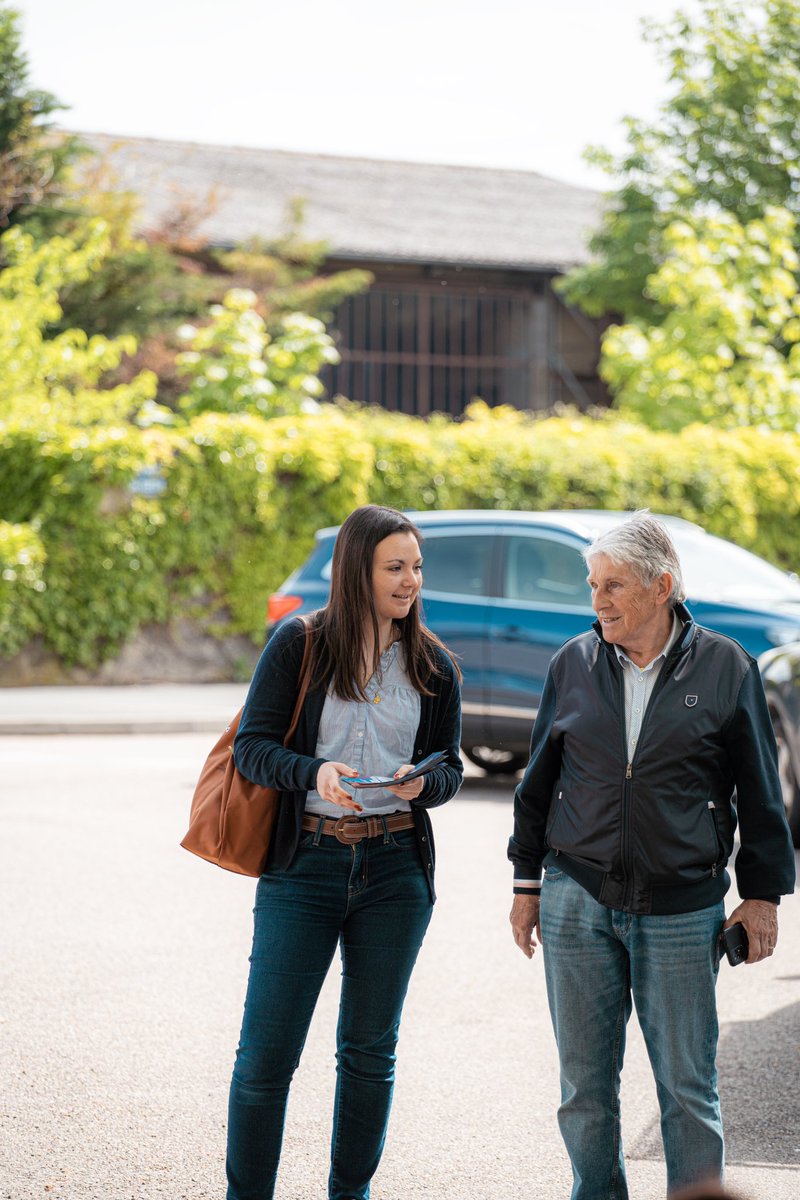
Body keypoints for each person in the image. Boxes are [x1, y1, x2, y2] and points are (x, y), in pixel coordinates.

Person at [508, 511, 796, 1200]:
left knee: (688, 1089)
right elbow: (537, 783)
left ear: (661, 586)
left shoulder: (726, 666)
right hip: (577, 896)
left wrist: (761, 896)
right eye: (593, 585)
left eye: (613, 585)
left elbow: (761, 791)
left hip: (682, 906)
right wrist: (526, 884)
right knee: (583, 1089)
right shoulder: (573, 663)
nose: (598, 601)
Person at [226, 503, 463, 1200]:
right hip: (304, 866)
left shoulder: (434, 664)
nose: (410, 580)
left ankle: (348, 1195)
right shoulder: (299, 644)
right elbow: (252, 748)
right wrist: (315, 772)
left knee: (368, 1055)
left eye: (416, 567)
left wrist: (423, 784)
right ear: (357, 571)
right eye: (395, 567)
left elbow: (450, 768)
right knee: (266, 1056)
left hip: (396, 871)